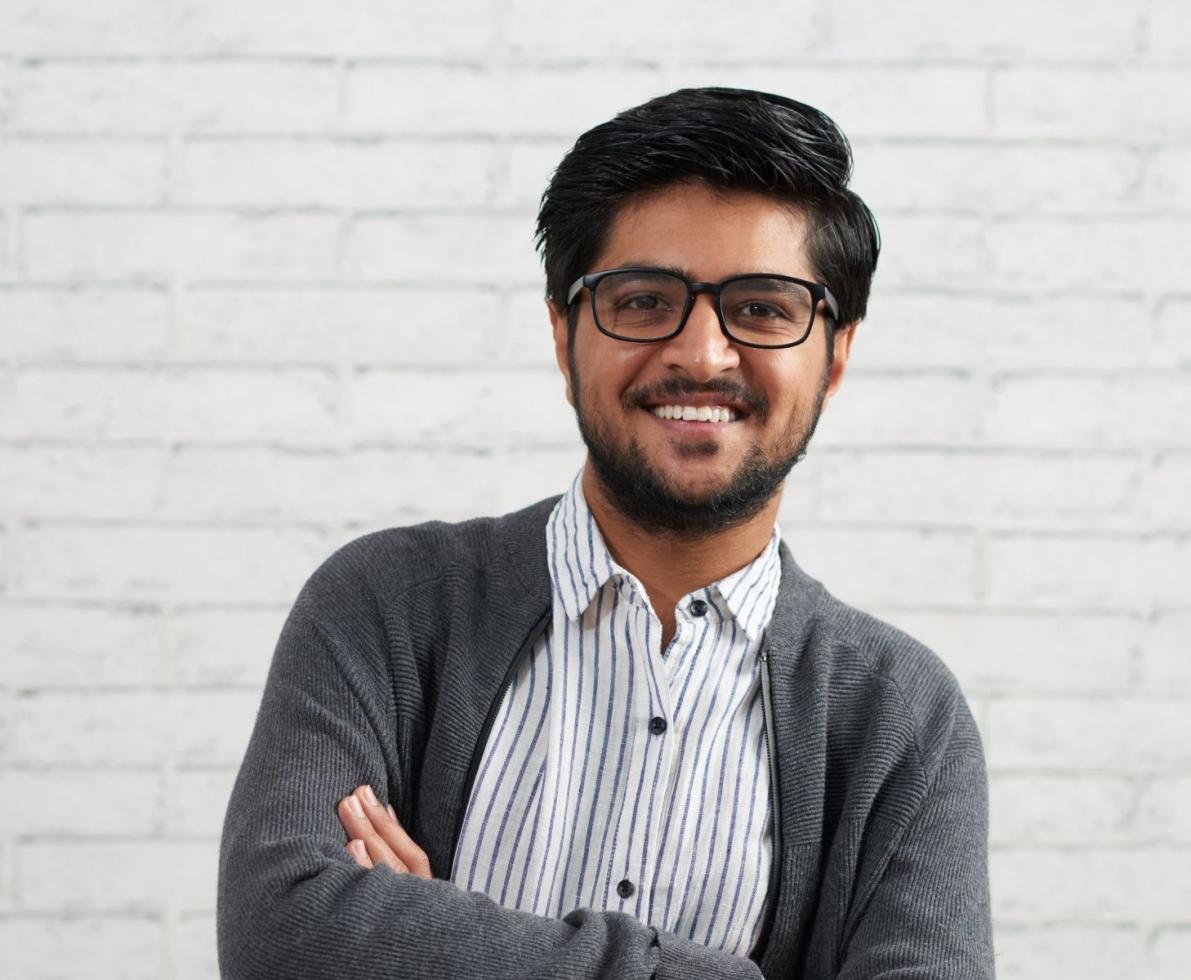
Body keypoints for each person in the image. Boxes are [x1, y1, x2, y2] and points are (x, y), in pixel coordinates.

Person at [218, 87, 994, 979]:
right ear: (563, 336)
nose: (702, 355)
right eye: (641, 300)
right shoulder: (389, 607)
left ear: (837, 353)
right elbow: (280, 939)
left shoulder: (902, 715)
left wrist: (424, 936)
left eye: (764, 309)